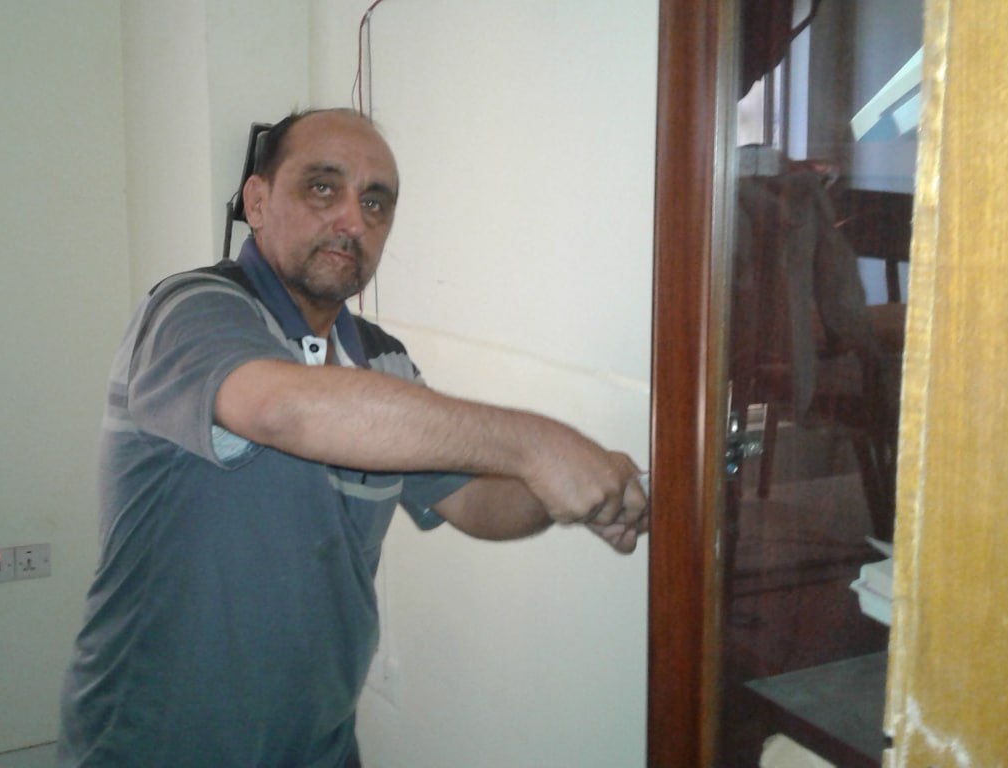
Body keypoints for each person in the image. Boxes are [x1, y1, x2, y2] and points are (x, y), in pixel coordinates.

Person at [57, 108, 649, 768]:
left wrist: (572, 493)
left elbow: (475, 502)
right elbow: (286, 409)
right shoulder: (191, 311)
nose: (353, 220)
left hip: (319, 742)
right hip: (155, 744)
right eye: (322, 187)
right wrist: (538, 445)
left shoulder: (382, 362)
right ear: (257, 201)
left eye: (375, 202)